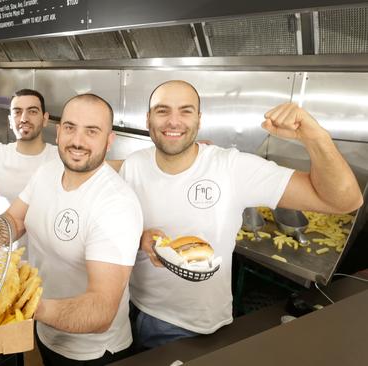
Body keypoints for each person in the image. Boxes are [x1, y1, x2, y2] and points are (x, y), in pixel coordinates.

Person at [119, 80, 364, 350]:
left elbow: (345, 201)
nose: (173, 121)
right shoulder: (133, 166)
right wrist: (141, 238)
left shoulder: (232, 167)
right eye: (162, 110)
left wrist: (315, 137)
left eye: (186, 111)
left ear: (199, 120)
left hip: (203, 322)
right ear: (148, 119)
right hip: (138, 312)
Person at [3, 94, 143, 365]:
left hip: (92, 352)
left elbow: (101, 310)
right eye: (70, 127)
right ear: (58, 131)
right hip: (47, 330)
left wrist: (26, 305)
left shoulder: (116, 205)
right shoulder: (48, 171)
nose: (77, 141)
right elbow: (16, 220)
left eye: (92, 131)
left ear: (109, 140)